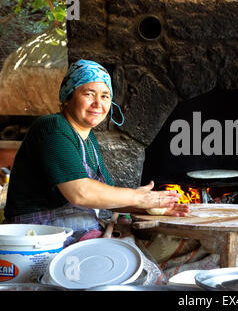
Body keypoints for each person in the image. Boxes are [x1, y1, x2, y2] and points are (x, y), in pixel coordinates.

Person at [3, 59, 189, 245]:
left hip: (76, 230)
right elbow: (80, 193)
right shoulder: (53, 128)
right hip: (38, 237)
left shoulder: (88, 139)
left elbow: (109, 197)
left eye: (105, 96)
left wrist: (153, 206)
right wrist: (139, 197)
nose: (98, 103)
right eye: (89, 94)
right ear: (67, 98)